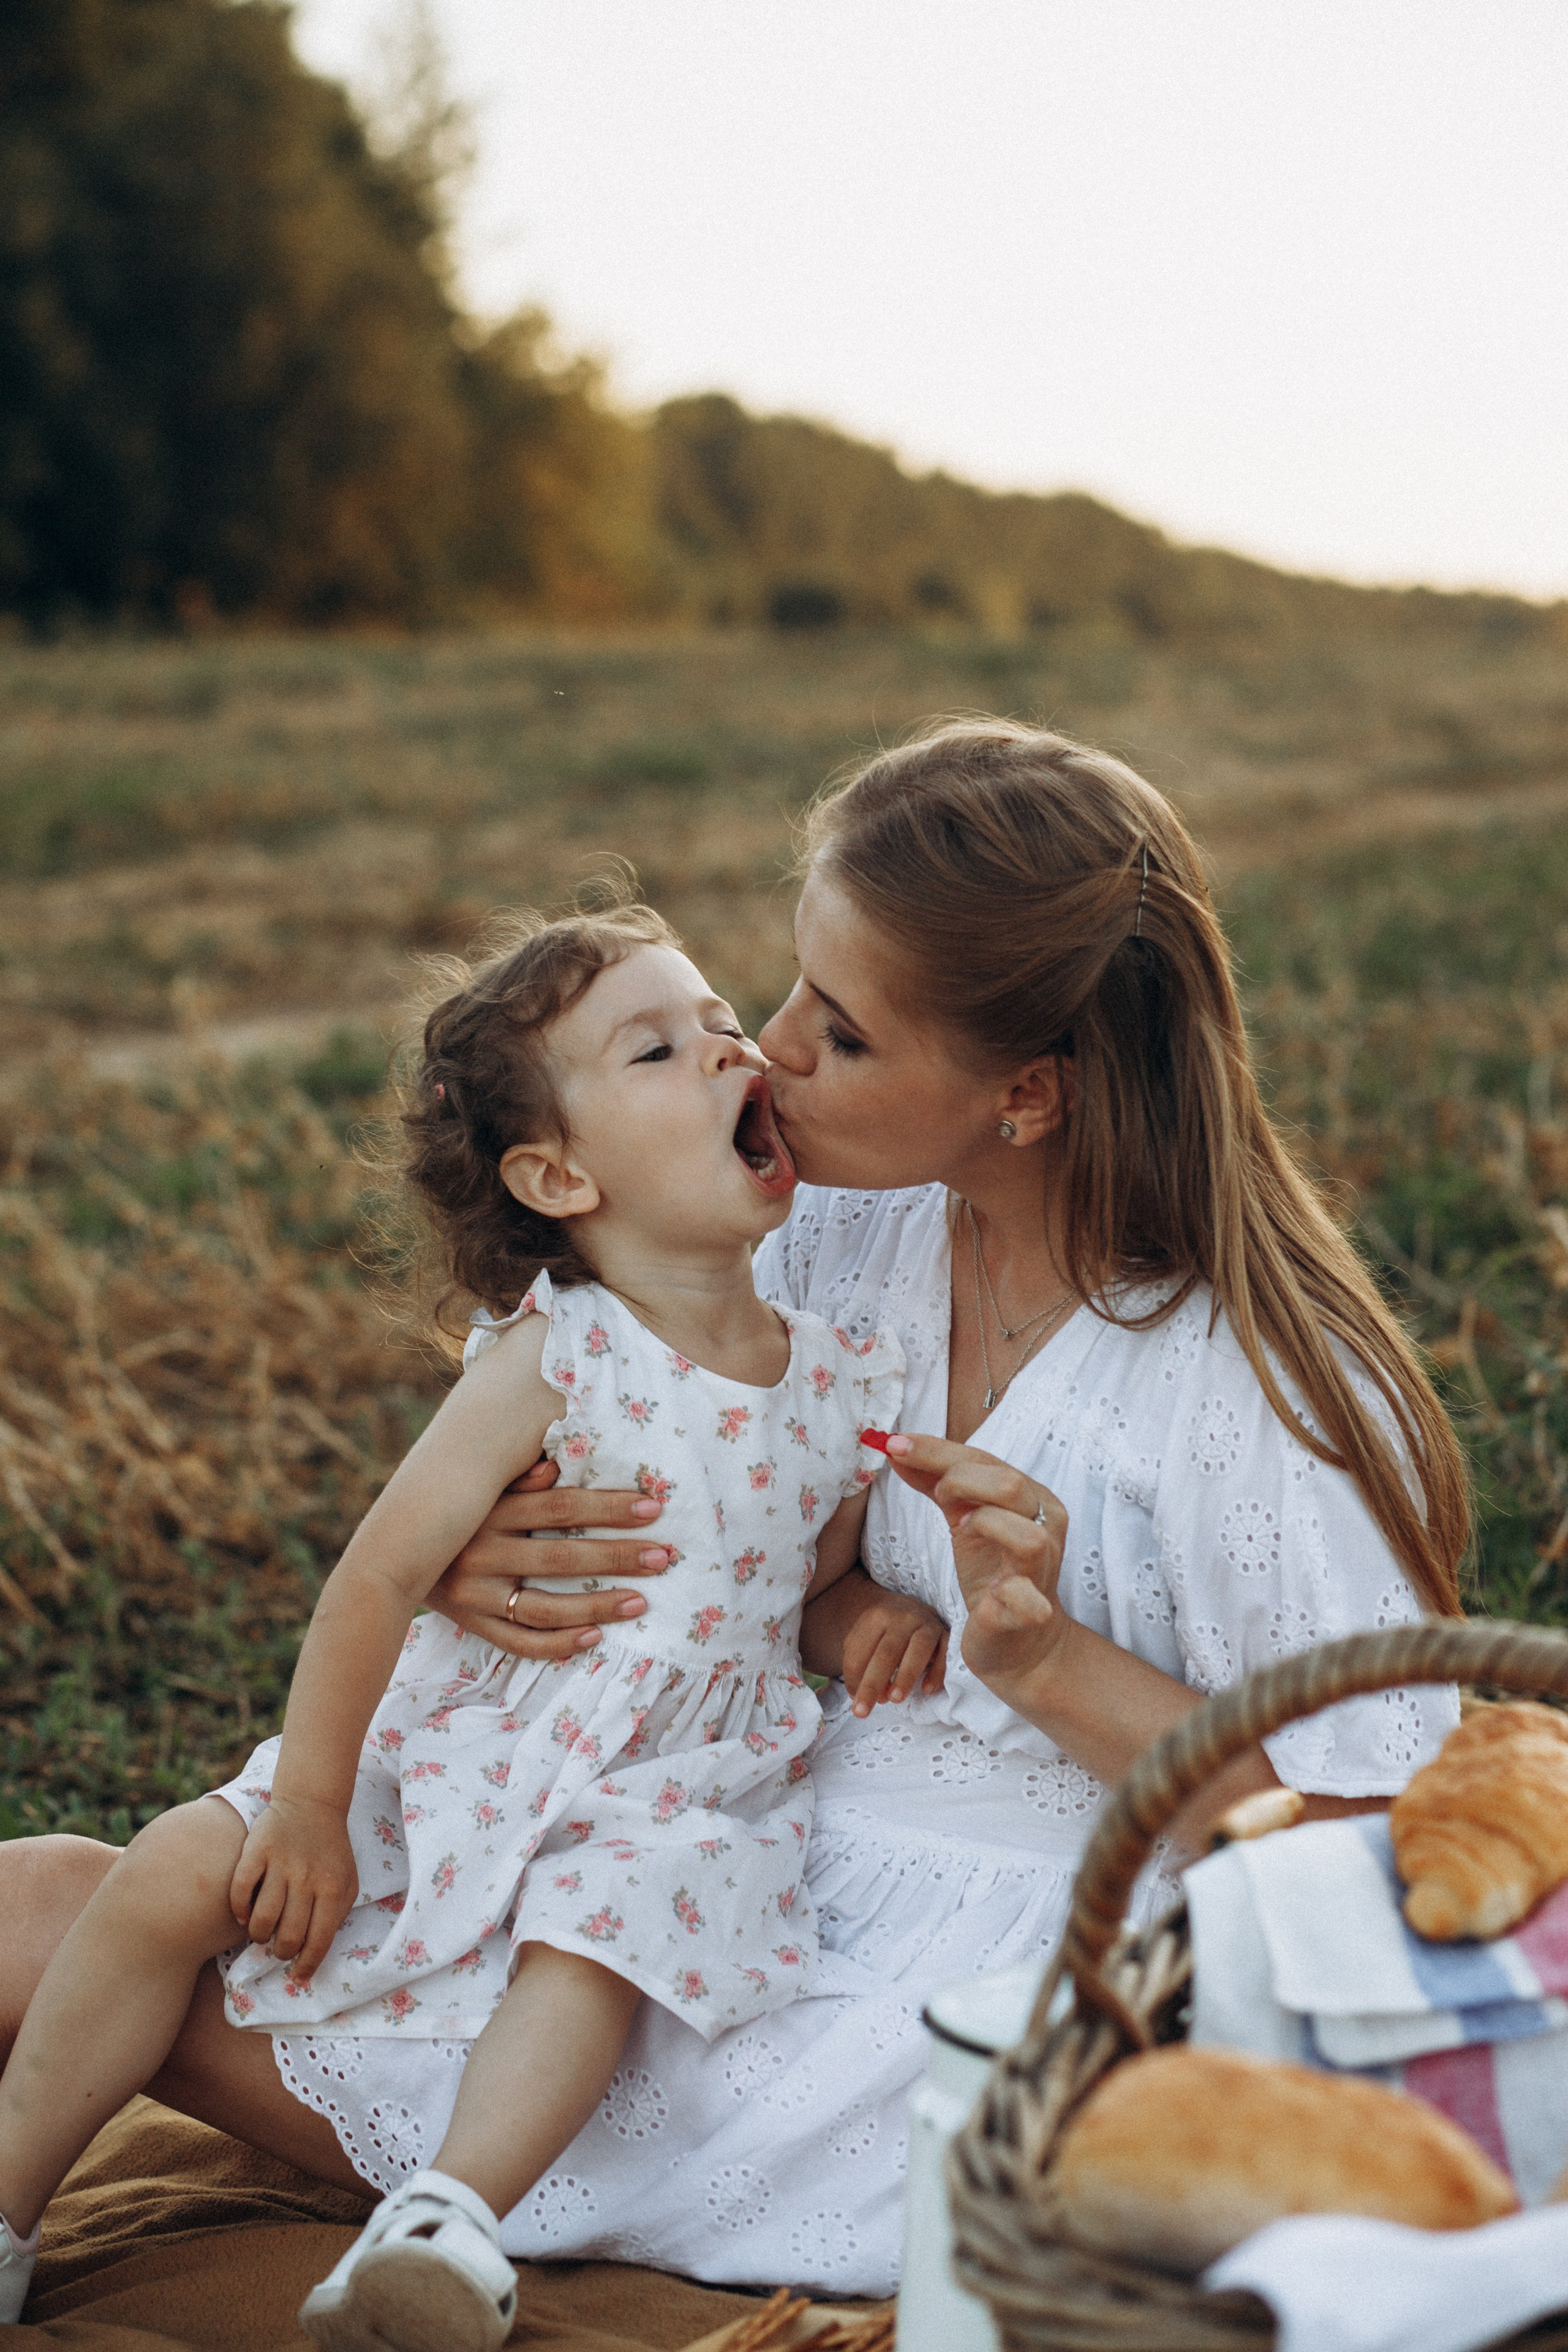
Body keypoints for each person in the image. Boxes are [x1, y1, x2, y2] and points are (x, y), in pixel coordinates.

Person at [0, 722, 1468, 2302]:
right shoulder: (845, 1232)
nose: (765, 1050)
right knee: (43, 1897)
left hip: (963, 1961)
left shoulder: (1265, 1403)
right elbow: (658, 1424)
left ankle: (461, 2212)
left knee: (71, 1937)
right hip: (712, 1801)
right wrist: (485, 1555)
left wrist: (1044, 1667)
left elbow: (1360, 1851)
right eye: (783, 990)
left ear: (1025, 1096)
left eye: (837, 1034)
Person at [0, 904, 922, 2347]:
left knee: (608, 1933)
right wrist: (309, 1802)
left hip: (668, 1785)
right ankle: (4, 2210)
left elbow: (795, 1584)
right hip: (477, 1740)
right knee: (185, 1859)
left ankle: (445, 2220)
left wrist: (860, 1616)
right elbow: (376, 1577)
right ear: (556, 1174)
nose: (730, 1045)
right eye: (657, 1046)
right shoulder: (560, 1354)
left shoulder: (832, 1373)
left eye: (716, 1017)